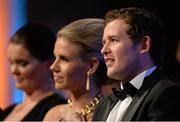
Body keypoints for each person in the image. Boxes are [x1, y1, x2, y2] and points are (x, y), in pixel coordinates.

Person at [92, 7, 180, 121]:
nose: (103, 50)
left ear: (144, 45)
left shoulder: (167, 95)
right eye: (104, 42)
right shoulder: (103, 104)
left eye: (114, 40)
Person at [43, 18, 112, 121]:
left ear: (92, 66)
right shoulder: (52, 115)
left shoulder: (112, 114)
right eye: (55, 57)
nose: (53, 67)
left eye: (64, 59)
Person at [0, 23, 67, 121]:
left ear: (49, 64)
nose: (13, 70)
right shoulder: (8, 111)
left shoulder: (57, 109)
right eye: (11, 63)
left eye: (22, 63)